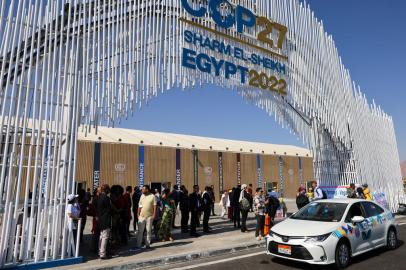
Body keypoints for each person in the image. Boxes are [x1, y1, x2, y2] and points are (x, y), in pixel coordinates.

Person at [136, 185, 157, 249]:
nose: (142, 190)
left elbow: (155, 206)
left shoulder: (153, 196)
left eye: (143, 189)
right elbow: (140, 205)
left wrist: (154, 214)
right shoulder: (142, 196)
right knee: (140, 231)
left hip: (149, 216)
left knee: (148, 231)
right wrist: (138, 213)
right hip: (141, 216)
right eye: (142, 189)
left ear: (147, 189)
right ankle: (138, 245)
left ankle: (147, 244)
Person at [97, 184, 111, 259]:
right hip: (105, 219)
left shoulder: (99, 197)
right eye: (108, 189)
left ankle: (100, 252)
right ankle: (102, 254)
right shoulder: (106, 198)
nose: (109, 191)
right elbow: (108, 209)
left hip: (100, 219)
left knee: (101, 236)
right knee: (105, 237)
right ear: (106, 190)